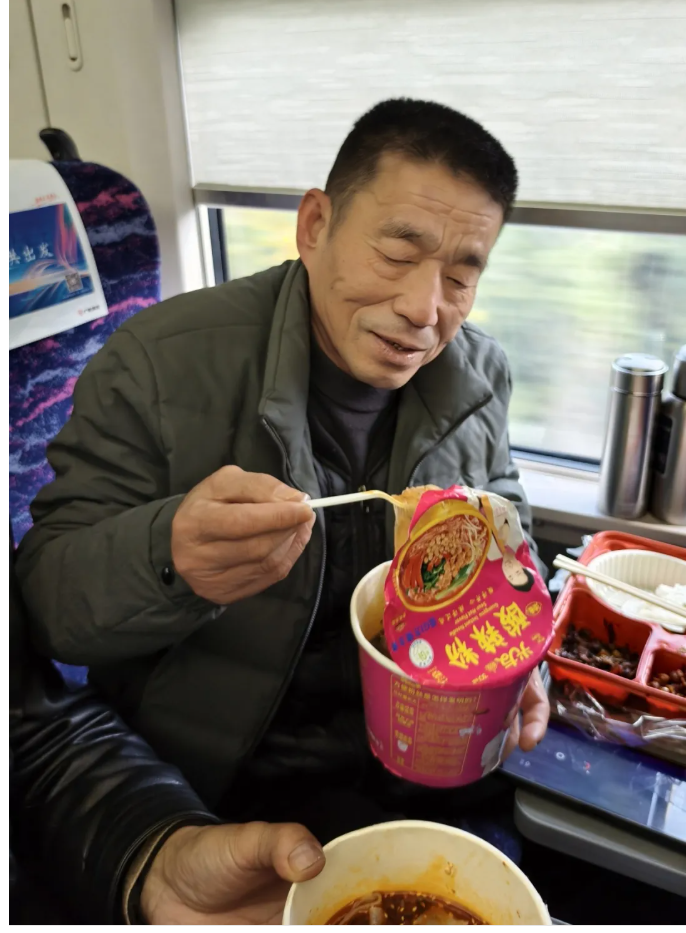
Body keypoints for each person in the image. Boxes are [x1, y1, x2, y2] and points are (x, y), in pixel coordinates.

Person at [16, 99, 549, 836]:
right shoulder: (155, 364)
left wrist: (522, 661)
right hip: (225, 790)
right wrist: (169, 556)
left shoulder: (480, 375)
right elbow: (48, 606)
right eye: (397, 255)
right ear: (315, 226)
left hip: (430, 758)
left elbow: (509, 531)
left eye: (460, 277)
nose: (425, 309)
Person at [9, 539, 325, 924]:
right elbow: (60, 596)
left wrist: (154, 859)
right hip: (220, 770)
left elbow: (34, 734)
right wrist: (165, 546)